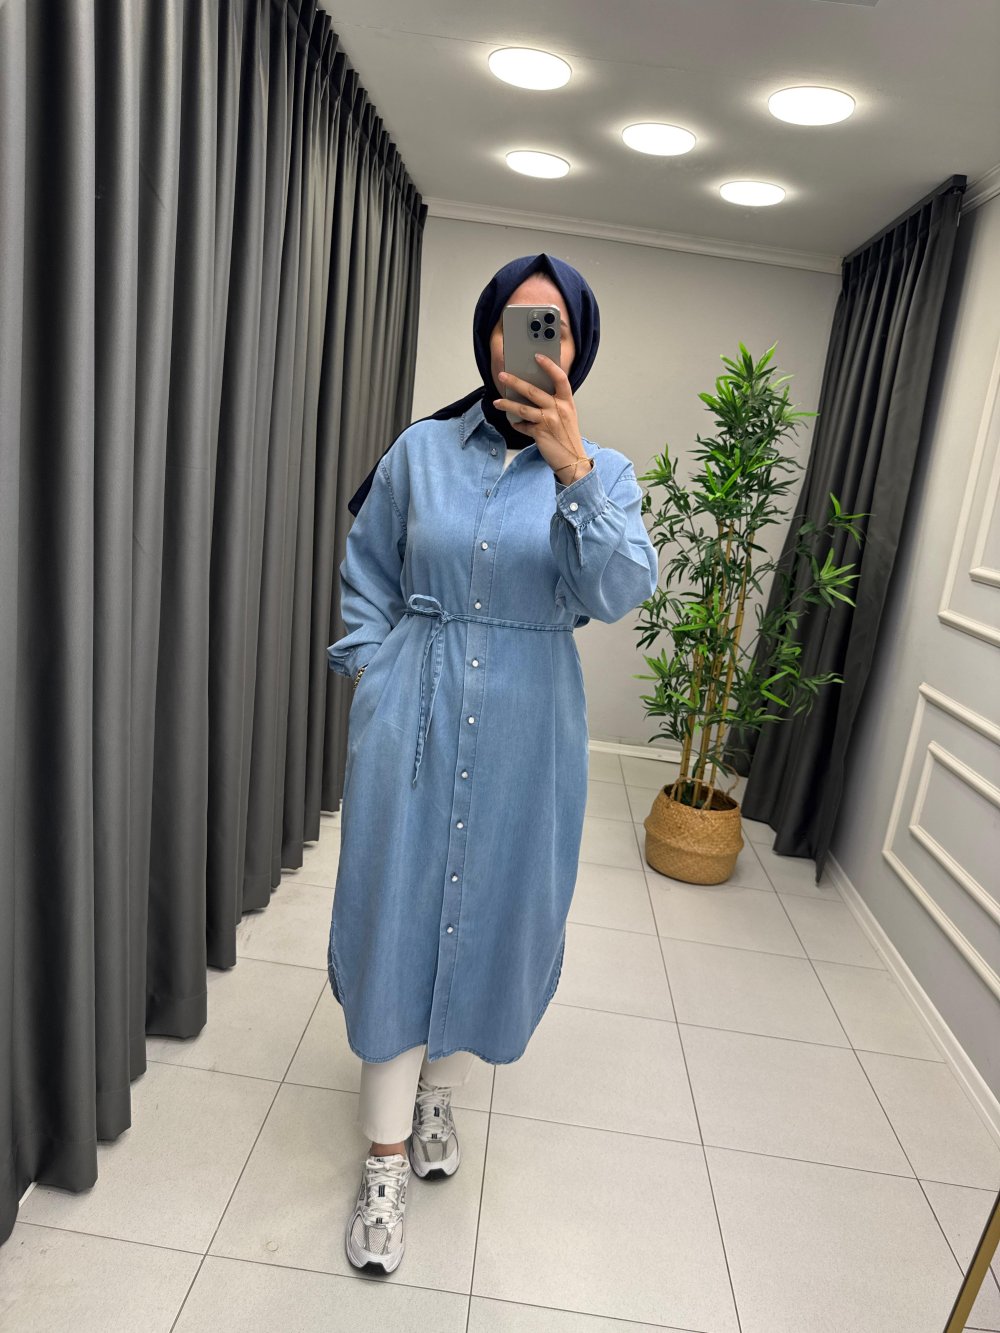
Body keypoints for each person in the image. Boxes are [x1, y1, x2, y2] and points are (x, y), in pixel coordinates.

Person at [327, 252, 659, 1273]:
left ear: (577, 349)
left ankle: (438, 1095)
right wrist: (373, 674)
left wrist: (572, 473)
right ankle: (384, 1159)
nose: (530, 341)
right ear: (486, 336)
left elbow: (618, 591)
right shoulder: (420, 451)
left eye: (552, 326)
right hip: (414, 712)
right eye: (514, 321)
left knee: (494, 910)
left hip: (530, 724)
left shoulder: (604, 472)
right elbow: (366, 571)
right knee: (397, 911)